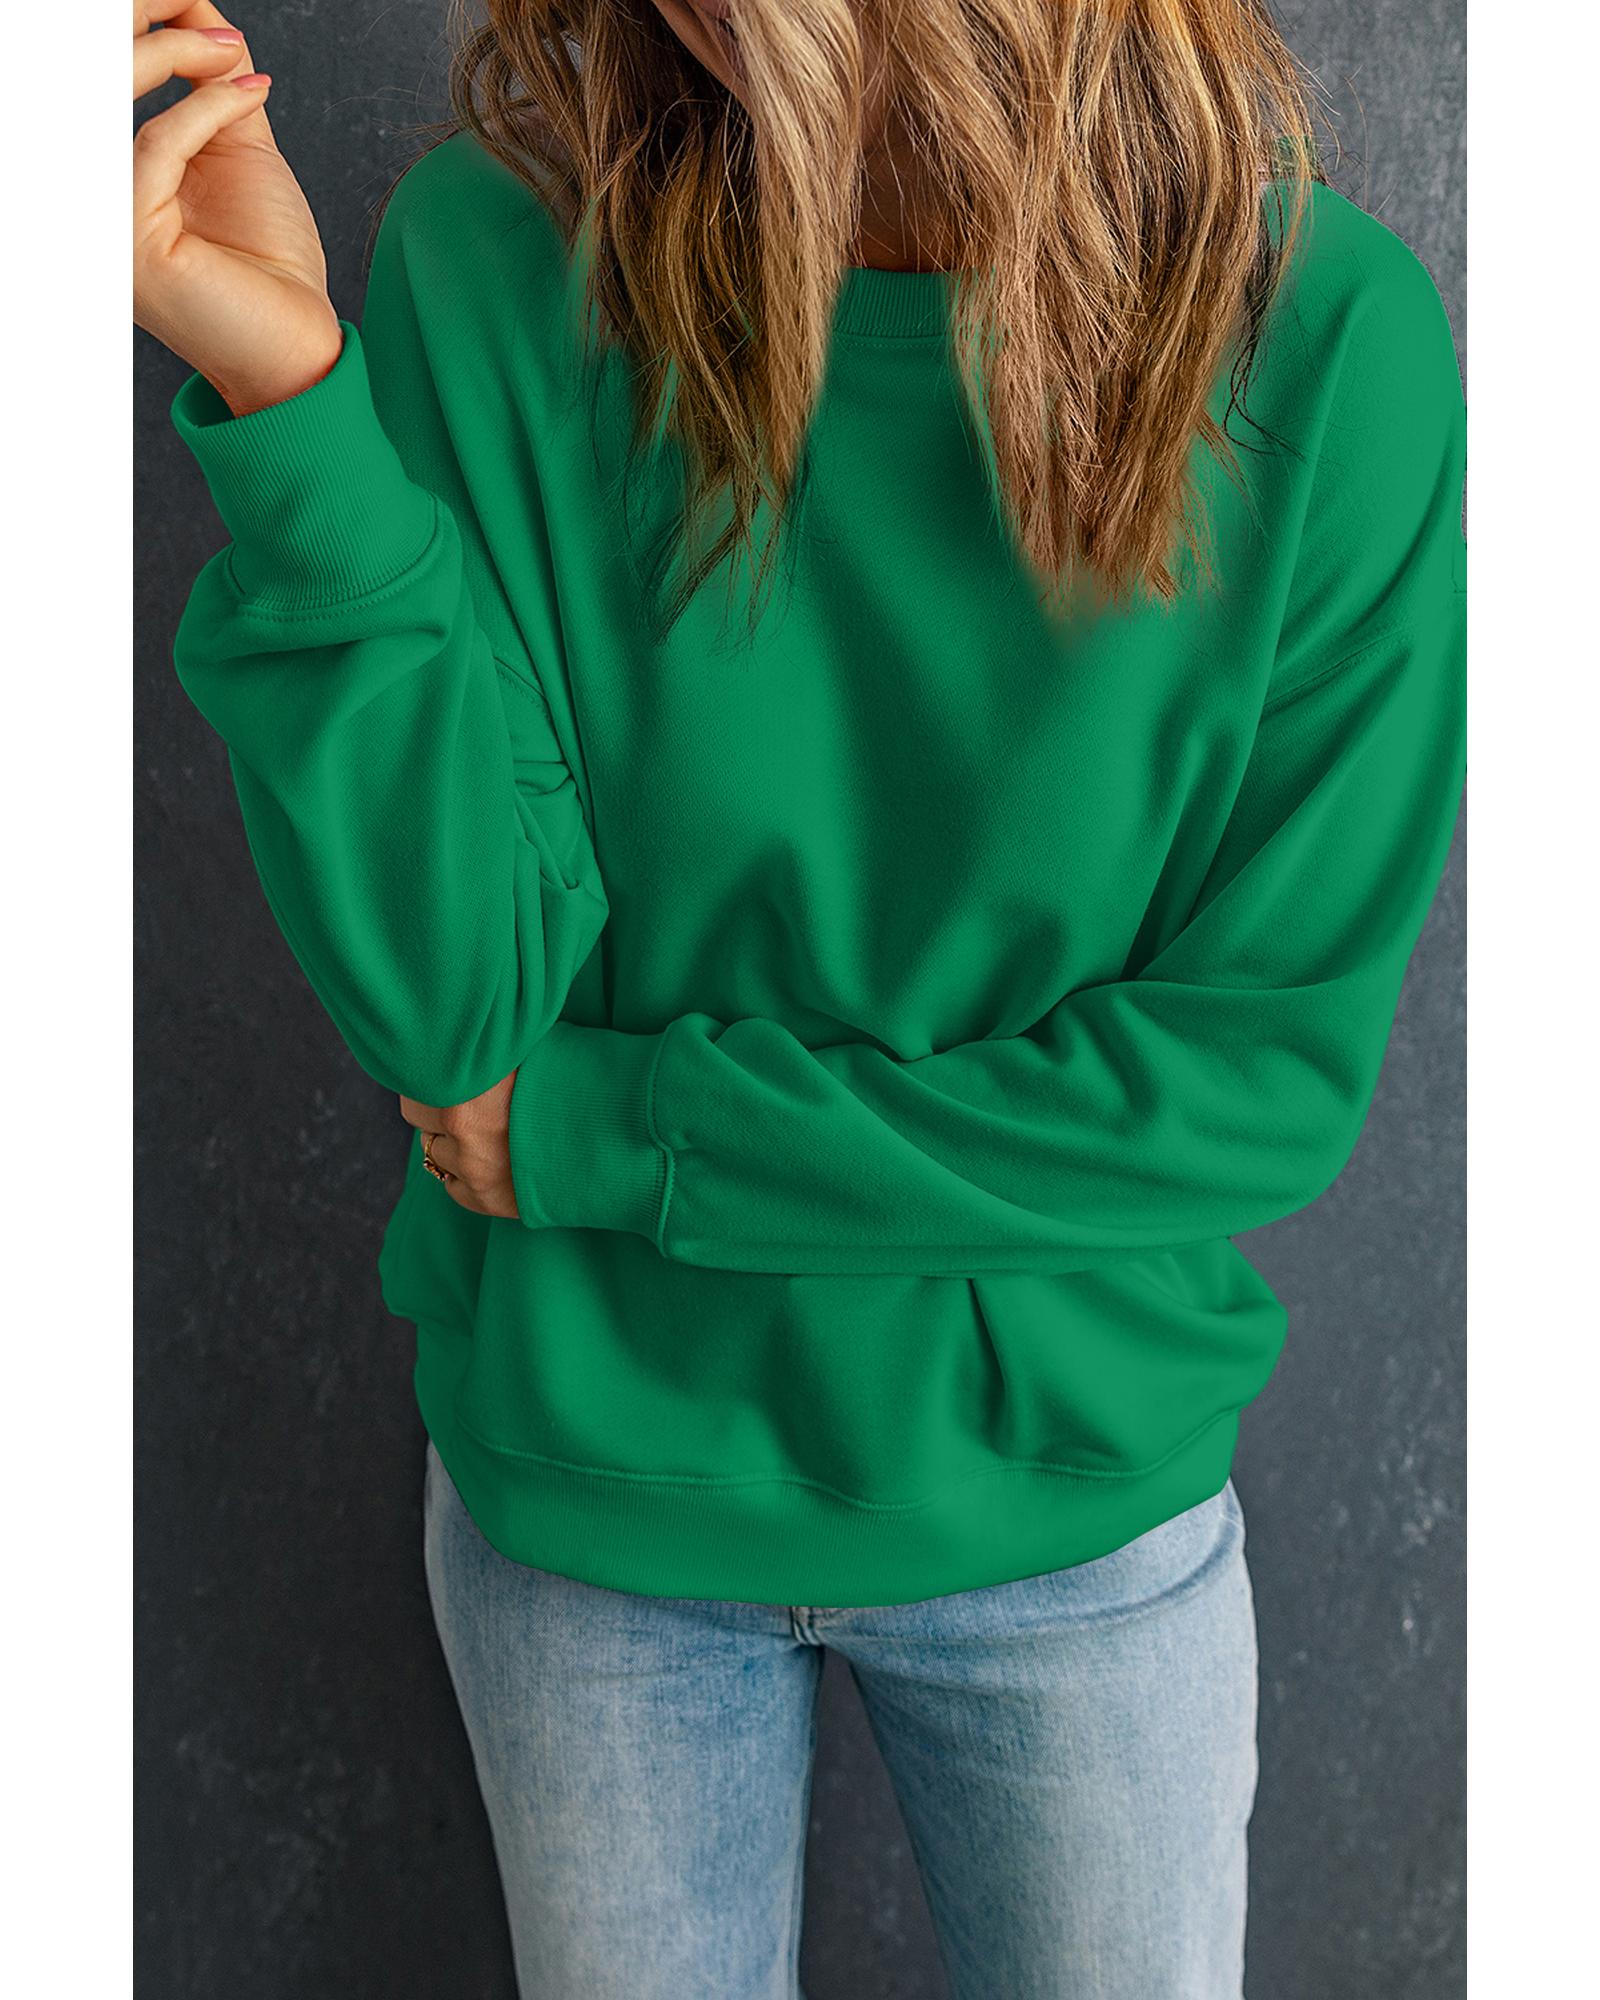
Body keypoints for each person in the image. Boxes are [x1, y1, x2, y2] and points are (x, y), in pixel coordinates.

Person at [134, 2, 1466, 1995]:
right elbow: (454, 1012)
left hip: (1068, 1516)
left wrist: (618, 1132)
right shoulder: (494, 261)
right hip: (592, 1513)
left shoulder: (1325, 344)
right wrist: (291, 398)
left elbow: (1251, 1084)